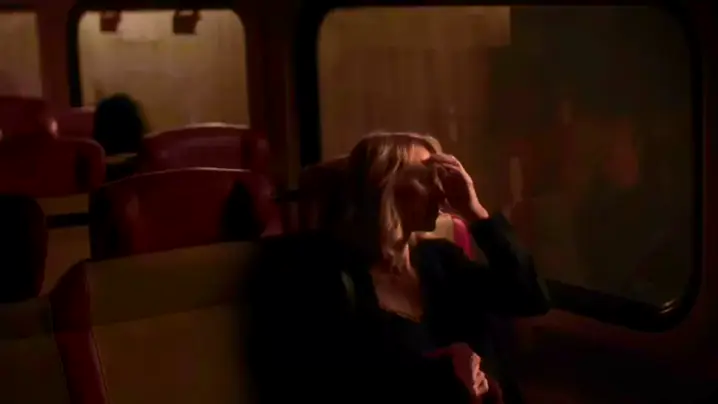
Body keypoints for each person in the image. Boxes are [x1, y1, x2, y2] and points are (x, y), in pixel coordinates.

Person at [248, 132, 550, 404]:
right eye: (427, 178)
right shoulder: (322, 274)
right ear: (383, 187)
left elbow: (530, 296)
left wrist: (476, 212)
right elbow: (331, 380)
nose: (442, 192)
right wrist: (444, 380)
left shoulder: (441, 260)